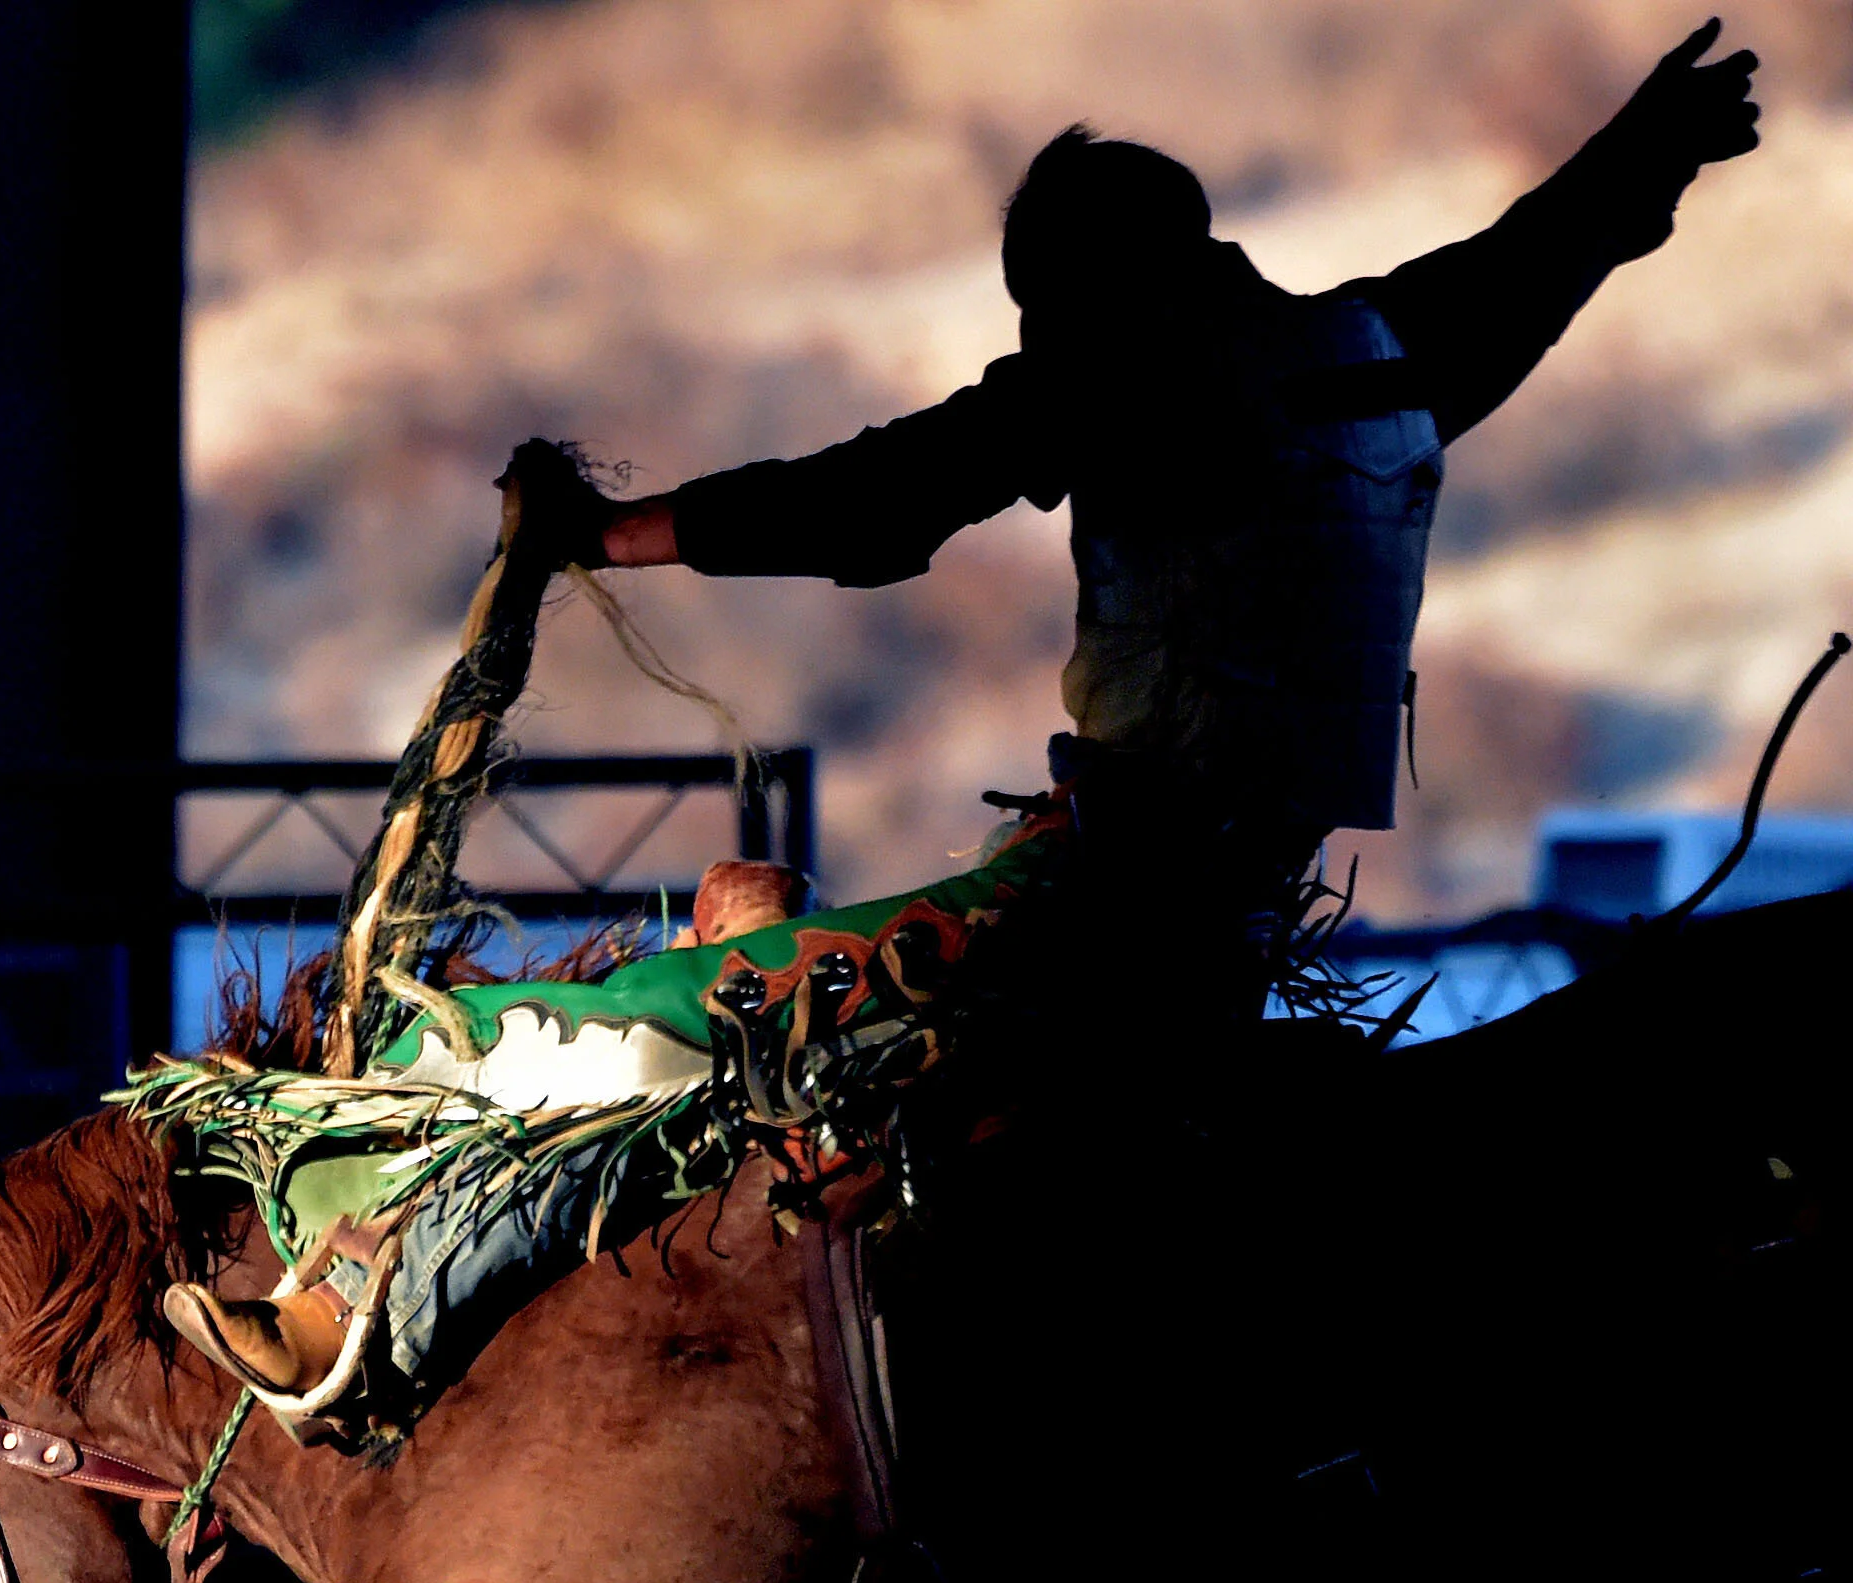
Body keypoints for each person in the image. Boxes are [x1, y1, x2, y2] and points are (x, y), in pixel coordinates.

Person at [555, 20, 1763, 1018]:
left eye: (1041, 309)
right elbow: (1534, 254)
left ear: (1079, 291)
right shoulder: (1386, 349)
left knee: (747, 965)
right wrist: (1647, 149)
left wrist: (611, 534)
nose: (1037, 341)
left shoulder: (1127, 370)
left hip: (1124, 876)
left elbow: (878, 498)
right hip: (1259, 881)